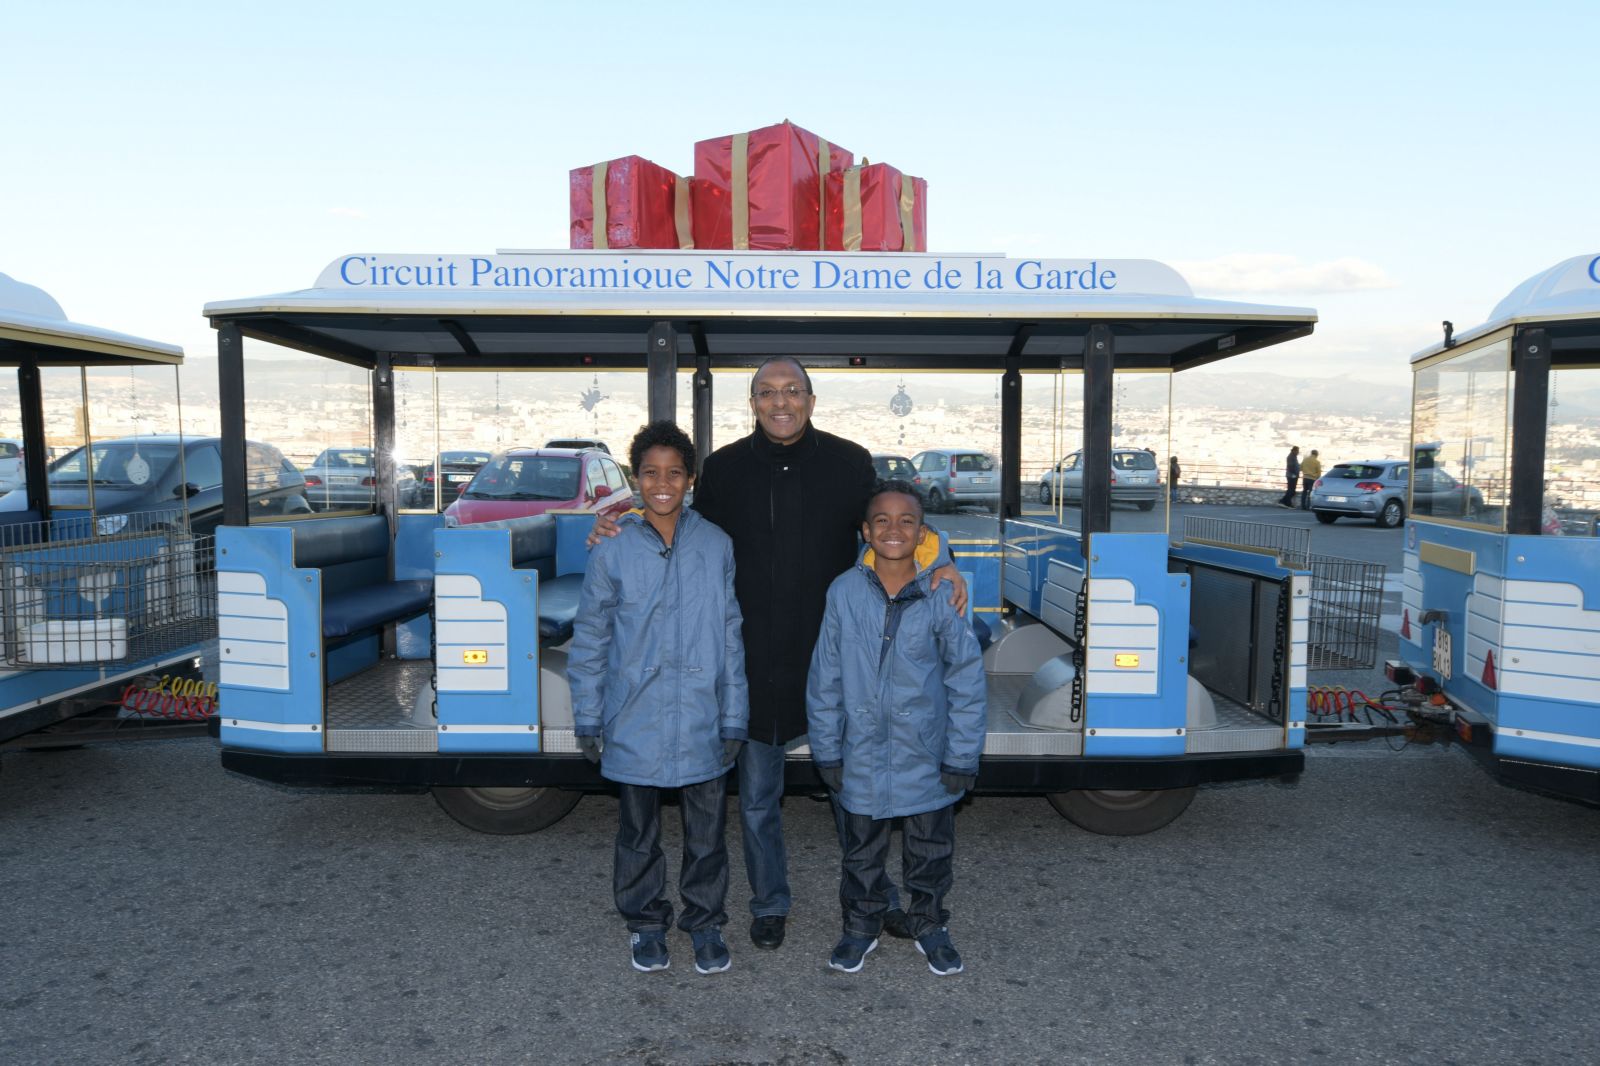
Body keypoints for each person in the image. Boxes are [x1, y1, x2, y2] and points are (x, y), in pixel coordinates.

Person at [589, 356, 967, 952]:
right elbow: (677, 524)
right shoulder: (725, 468)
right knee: (759, 800)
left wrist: (941, 556)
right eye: (768, 392)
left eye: (792, 390)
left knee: (857, 794)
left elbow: (893, 523)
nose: (781, 402)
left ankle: (878, 899)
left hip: (839, 664)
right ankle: (770, 903)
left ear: (811, 400)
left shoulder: (849, 462)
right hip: (754, 664)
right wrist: (622, 520)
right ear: (754, 403)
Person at [568, 421, 749, 976]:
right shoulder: (612, 547)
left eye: (674, 472)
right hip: (634, 716)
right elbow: (592, 636)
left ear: (690, 478)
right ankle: (646, 922)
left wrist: (734, 715)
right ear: (635, 478)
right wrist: (589, 715)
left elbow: (730, 633)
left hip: (701, 713)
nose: (663, 483)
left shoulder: (717, 544)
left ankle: (705, 921)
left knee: (706, 831)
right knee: (638, 831)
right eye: (651, 472)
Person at [806, 481, 986, 976]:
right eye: (881, 520)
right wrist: (827, 749)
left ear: (923, 532)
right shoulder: (843, 590)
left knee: (930, 850)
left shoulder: (941, 592)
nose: (893, 529)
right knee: (861, 852)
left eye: (906, 520)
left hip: (924, 751)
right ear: (865, 531)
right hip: (860, 750)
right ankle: (860, 926)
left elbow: (965, 679)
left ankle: (929, 923)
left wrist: (961, 755)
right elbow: (825, 675)